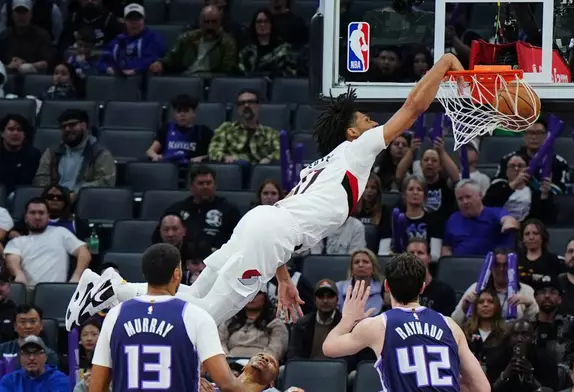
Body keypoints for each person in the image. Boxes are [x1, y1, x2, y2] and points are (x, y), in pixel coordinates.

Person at [66, 53, 466, 331]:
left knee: (190, 293)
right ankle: (112, 287)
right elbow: (413, 107)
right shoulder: (359, 147)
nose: (373, 121)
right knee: (205, 316)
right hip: (272, 231)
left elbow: (283, 217)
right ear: (352, 131)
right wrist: (445, 63)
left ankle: (106, 286)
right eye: (365, 118)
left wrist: (284, 279)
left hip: (263, 222)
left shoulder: (323, 166)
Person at [322, 253, 490, 392]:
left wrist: (347, 320)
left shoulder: (378, 325)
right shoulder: (450, 325)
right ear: (422, 287)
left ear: (387, 286)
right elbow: (482, 388)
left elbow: (329, 348)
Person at [89, 243, 245, 392]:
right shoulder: (196, 315)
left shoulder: (115, 315)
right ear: (177, 274)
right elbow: (227, 384)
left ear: (144, 274)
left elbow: (97, 385)